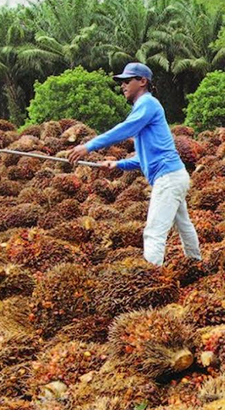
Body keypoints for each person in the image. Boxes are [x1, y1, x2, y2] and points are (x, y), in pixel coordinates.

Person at [68, 62, 201, 266]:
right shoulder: (144, 109)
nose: (122, 86)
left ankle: (150, 279)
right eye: (121, 82)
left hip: (168, 177)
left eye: (127, 81)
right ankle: (196, 263)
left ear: (142, 81)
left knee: (153, 232)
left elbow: (124, 129)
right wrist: (118, 165)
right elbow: (142, 158)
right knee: (183, 224)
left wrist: (89, 146)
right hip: (174, 176)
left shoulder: (147, 104)